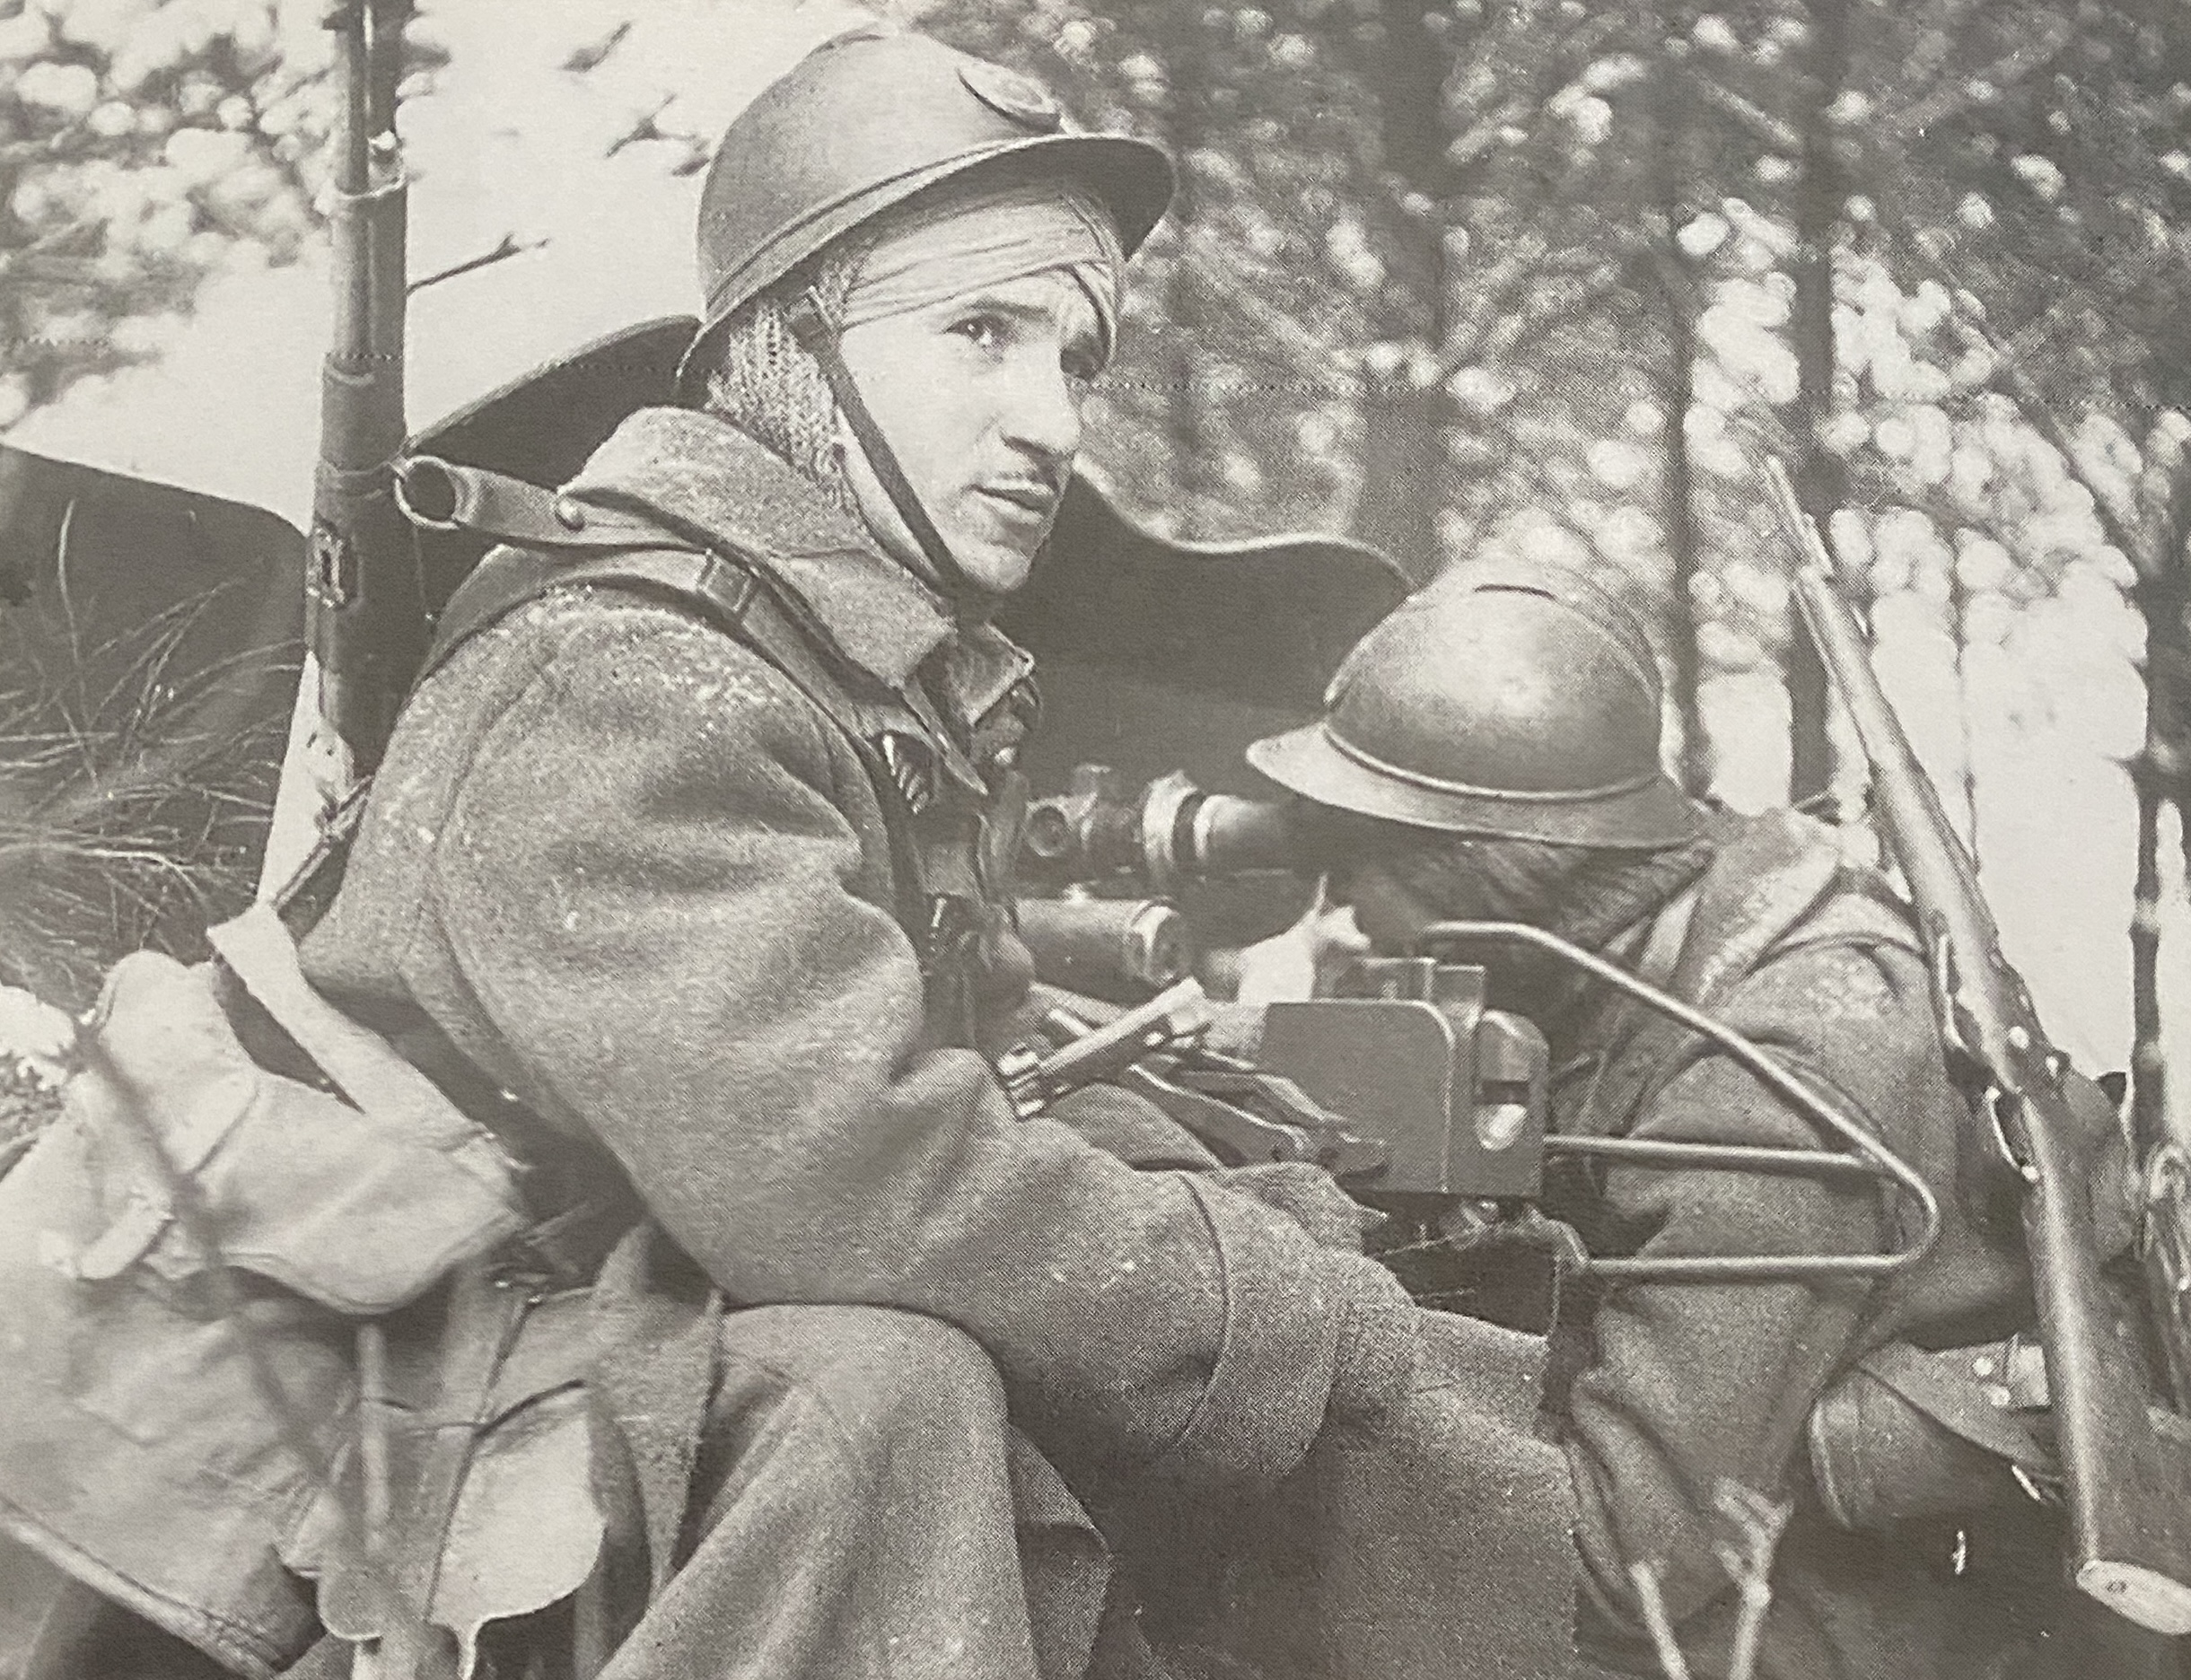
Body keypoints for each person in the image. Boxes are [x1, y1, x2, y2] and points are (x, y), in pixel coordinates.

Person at [282, 28, 1572, 1680]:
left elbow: (979, 1063)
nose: (1049, 419)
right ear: (789, 347)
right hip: (406, 1404)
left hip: (586, 1350)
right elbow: (856, 1179)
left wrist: (1251, 1210)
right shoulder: (624, 678)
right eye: (980, 332)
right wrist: (1282, 1313)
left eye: (1077, 359)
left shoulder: (814, 669)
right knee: (887, 1393)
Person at [1229, 557, 2177, 1680]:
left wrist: (1294, 1323)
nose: (1338, 924)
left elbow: (1612, 1559)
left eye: (1355, 877)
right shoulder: (1681, 925)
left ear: (1484, 869)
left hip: (1910, 1623)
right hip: (1793, 1533)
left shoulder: (1774, 1069)